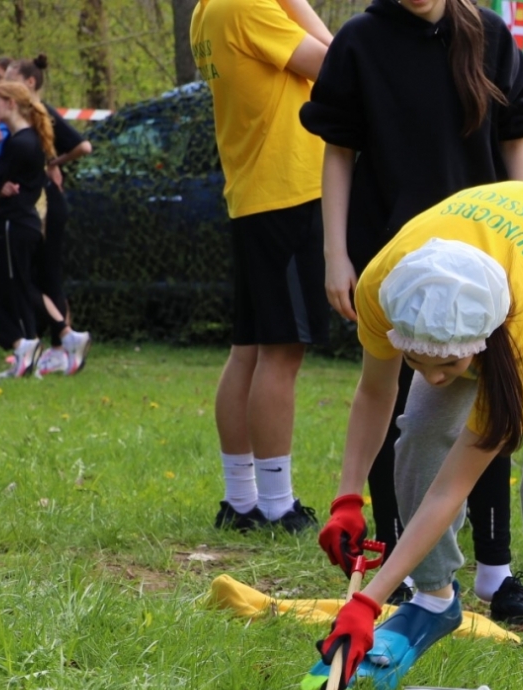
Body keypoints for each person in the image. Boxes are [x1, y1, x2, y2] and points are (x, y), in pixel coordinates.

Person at [312, 182, 523, 690]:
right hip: (510, 265)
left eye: (449, 364)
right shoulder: (386, 285)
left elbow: (450, 489)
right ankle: (434, 598)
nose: (435, 378)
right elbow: (376, 393)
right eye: (417, 361)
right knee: (419, 426)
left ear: (482, 342)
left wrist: (368, 601)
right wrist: (347, 499)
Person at [301, 0, 523, 621]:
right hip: (396, 254)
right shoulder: (358, 42)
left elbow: (518, 145)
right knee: (399, 410)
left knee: (490, 406)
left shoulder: (489, 35)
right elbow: (338, 153)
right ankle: (402, 564)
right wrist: (336, 253)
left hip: (487, 259)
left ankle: (496, 571)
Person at [191, 0, 331, 532]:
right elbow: (337, 64)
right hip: (286, 194)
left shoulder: (206, 10)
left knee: (248, 348)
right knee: (281, 351)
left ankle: (241, 499)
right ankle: (276, 505)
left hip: (253, 195)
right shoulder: (250, 5)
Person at [4, 55, 92, 376]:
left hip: (46, 205)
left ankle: (63, 341)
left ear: (28, 83)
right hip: (38, 204)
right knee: (39, 274)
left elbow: (83, 146)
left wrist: (54, 163)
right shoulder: (23, 123)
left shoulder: (42, 116)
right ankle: (56, 340)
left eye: (8, 79)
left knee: (48, 274)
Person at [0, 81, 50, 378]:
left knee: (10, 289)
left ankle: (23, 344)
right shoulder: (23, 140)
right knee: (4, 288)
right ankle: (25, 348)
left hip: (14, 225)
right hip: (17, 223)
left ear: (10, 104)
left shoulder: (22, 143)